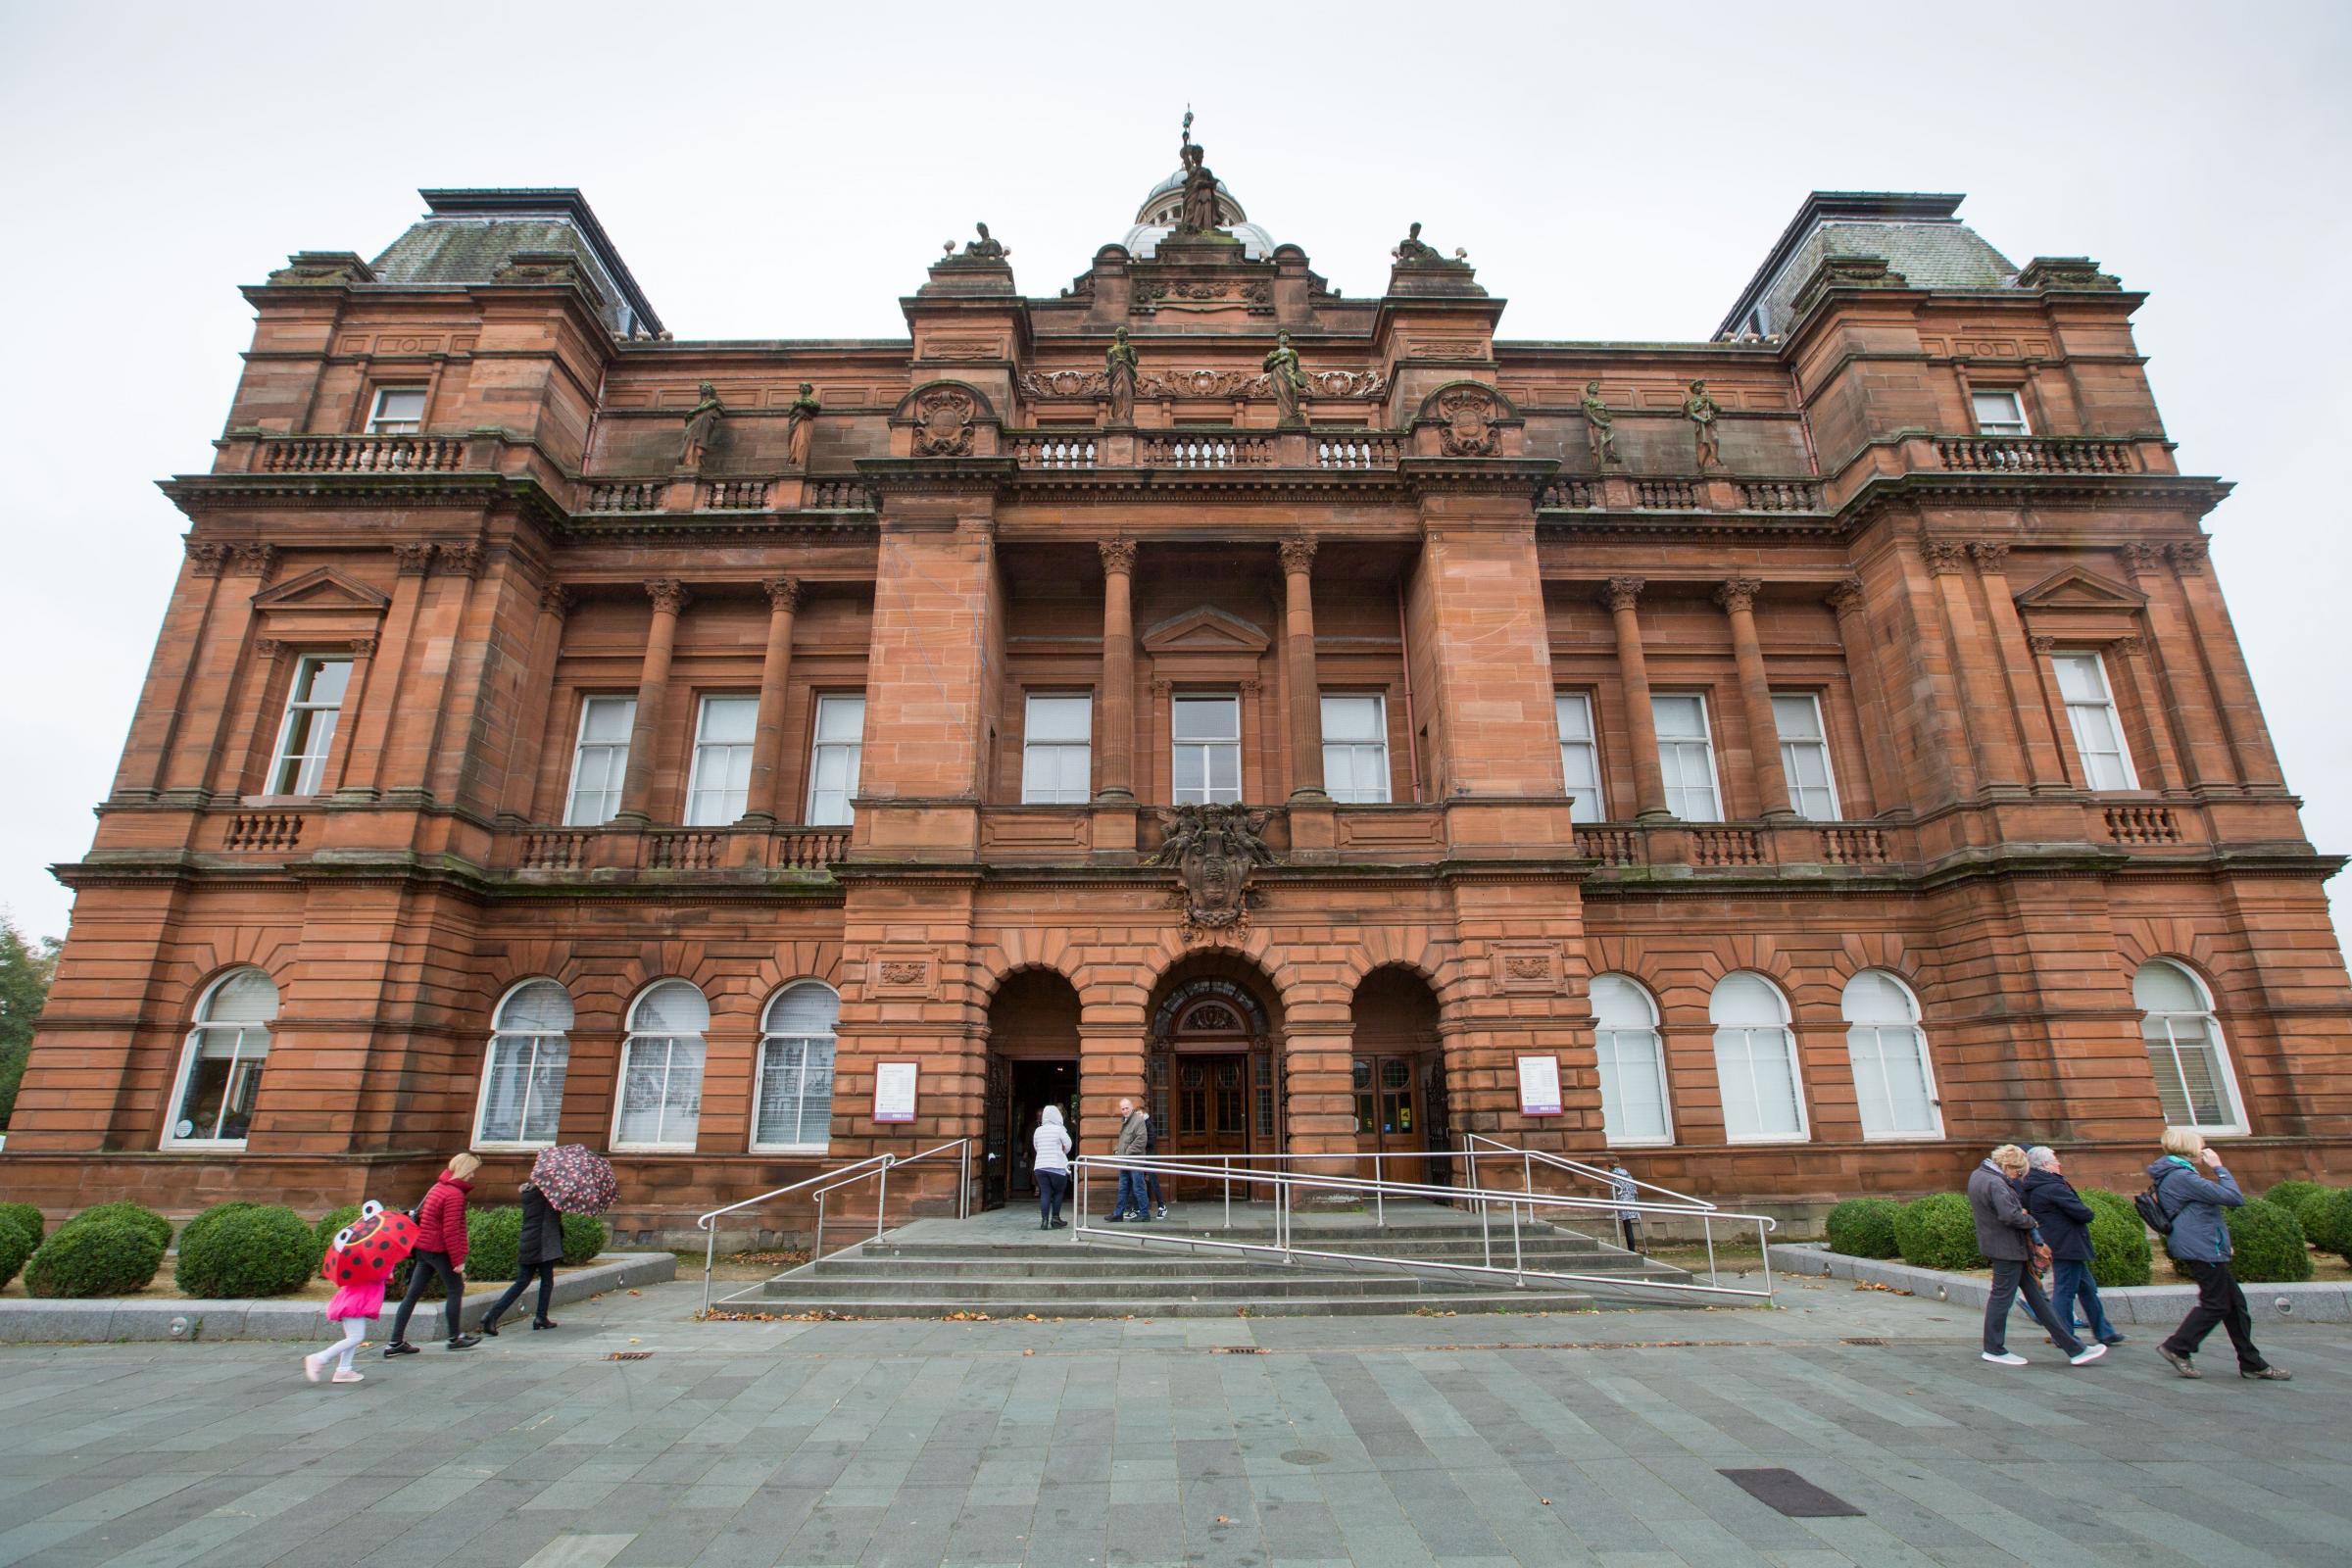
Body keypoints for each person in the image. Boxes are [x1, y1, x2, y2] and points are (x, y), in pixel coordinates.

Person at [2150, 1129, 2290, 1381]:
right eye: (2201, 1144)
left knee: (2235, 1305)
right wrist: (2219, 1168)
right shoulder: (2182, 1176)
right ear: (2190, 1147)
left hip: (2203, 1244)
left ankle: (2251, 1362)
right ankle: (2177, 1346)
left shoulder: (2175, 1173)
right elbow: (2234, 1198)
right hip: (2202, 1248)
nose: (2205, 1148)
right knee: (2217, 1303)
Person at [1968, 1144, 2102, 1367]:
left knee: (2039, 1300)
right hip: (2007, 1247)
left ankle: (2075, 1348)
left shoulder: (1980, 1175)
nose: (2018, 1177)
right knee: (2003, 1298)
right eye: (2018, 1172)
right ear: (2007, 1165)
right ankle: (1994, 1348)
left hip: (2005, 1246)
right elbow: (2010, 1216)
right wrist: (2030, 1219)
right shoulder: (1995, 1182)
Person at [2019, 1146, 2124, 1347]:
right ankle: (2064, 1334)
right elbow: (2083, 1213)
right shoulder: (2053, 1186)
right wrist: (2086, 1211)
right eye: (2054, 1160)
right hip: (2067, 1244)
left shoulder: (2033, 1185)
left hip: (2059, 1242)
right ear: (2046, 1165)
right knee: (2065, 1290)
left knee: (2087, 1289)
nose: (2058, 1163)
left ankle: (2104, 1331)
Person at [386, 1152, 482, 1355]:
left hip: (424, 1248)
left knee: (412, 1294)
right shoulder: (454, 1195)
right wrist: (458, 1261)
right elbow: (450, 1230)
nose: (473, 1176)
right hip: (440, 1250)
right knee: (456, 1289)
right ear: (465, 1170)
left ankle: (395, 1342)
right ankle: (454, 1338)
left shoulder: (437, 1187)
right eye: (472, 1171)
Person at [305, 1221, 387, 1385]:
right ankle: (320, 1358)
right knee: (356, 1337)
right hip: (354, 1305)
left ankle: (343, 1370)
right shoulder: (368, 1260)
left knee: (353, 1337)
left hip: (352, 1303)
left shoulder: (360, 1257)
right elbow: (379, 1275)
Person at [479, 1179, 564, 1335]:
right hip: (542, 1244)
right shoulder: (547, 1194)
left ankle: (494, 1315)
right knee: (542, 1281)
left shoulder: (530, 1192)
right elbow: (552, 1216)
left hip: (532, 1241)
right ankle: (538, 1317)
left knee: (526, 1281)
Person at [1106, 1098, 1151, 1222]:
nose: (1125, 1111)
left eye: (1126, 1108)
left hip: (1134, 1162)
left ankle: (1144, 1214)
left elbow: (1142, 1139)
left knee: (1138, 1188)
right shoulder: (1125, 1120)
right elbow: (1123, 1140)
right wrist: (1117, 1150)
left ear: (1131, 1108)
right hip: (1125, 1161)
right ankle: (1118, 1214)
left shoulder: (1138, 1120)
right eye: (1122, 1109)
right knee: (1123, 1188)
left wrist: (1126, 1152)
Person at [1032, 1104, 1072, 1231]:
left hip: (1040, 1166)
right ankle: (1055, 1218)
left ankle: (1044, 1221)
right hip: (1057, 1166)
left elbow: (1036, 1146)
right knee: (1059, 1192)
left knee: (1045, 1192)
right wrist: (1062, 1152)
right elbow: (1068, 1145)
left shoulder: (1038, 1130)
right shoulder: (1059, 1129)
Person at [1609, 1159, 1642, 1252]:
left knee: (1627, 1226)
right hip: (1632, 1203)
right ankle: (1632, 1249)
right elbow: (1634, 1188)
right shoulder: (1628, 1174)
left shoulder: (1613, 1176)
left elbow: (1612, 1192)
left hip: (1621, 1203)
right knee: (1628, 1226)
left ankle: (1631, 1249)